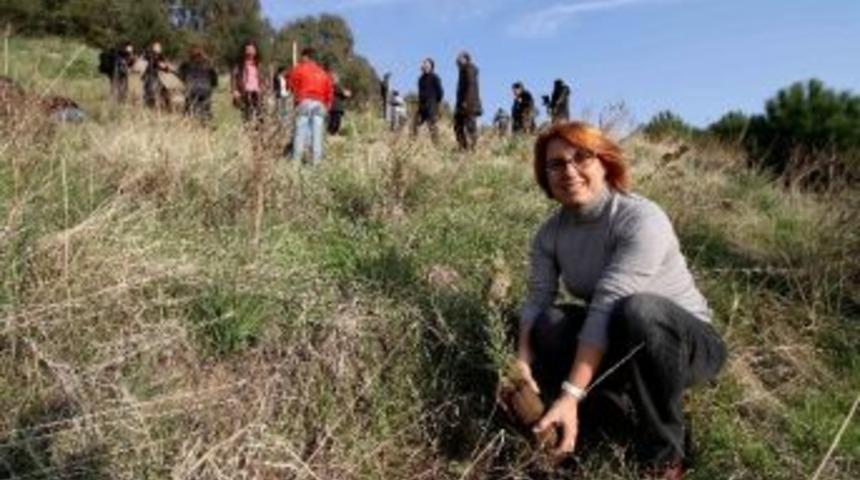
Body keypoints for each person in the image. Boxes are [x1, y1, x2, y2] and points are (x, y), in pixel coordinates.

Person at [511, 122, 726, 479]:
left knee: (639, 310)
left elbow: (609, 302)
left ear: (605, 163)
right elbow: (536, 299)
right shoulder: (549, 235)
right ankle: (601, 414)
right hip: (619, 337)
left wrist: (570, 392)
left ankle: (664, 457)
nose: (569, 171)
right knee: (548, 323)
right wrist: (521, 359)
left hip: (687, 345)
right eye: (556, 164)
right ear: (544, 176)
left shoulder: (640, 218)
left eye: (582, 157)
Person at [288, 47, 334, 165]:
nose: (300, 59)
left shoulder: (299, 68)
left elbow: (290, 84)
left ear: (306, 56)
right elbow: (329, 92)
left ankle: (295, 164)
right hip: (319, 104)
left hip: (304, 102)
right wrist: (327, 108)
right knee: (317, 137)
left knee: (299, 135)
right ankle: (316, 165)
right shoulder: (324, 73)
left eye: (302, 57)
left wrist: (296, 96)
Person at [177, 46, 218, 124]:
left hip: (192, 89)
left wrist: (185, 82)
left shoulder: (186, 64)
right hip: (205, 90)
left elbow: (180, 75)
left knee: (189, 110)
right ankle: (204, 126)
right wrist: (212, 86)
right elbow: (214, 78)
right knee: (205, 110)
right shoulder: (208, 63)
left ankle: (192, 127)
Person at [231, 40, 265, 124]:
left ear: (256, 51)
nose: (250, 52)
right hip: (245, 93)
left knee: (260, 119)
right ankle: (248, 135)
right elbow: (233, 78)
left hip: (257, 94)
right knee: (247, 118)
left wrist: (264, 89)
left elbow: (263, 80)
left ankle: (259, 135)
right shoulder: (239, 65)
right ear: (244, 51)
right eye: (248, 50)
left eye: (252, 50)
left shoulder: (259, 65)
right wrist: (234, 91)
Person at [411, 58, 443, 143]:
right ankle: (412, 143)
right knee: (414, 124)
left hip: (431, 106)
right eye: (423, 63)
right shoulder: (420, 79)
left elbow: (440, 93)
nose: (423, 65)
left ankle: (437, 146)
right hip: (422, 106)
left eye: (426, 63)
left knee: (432, 127)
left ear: (431, 66)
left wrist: (434, 102)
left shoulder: (435, 77)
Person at [454, 51, 482, 151]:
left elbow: (471, 86)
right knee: (458, 126)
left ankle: (472, 149)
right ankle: (463, 148)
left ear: (465, 59)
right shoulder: (463, 70)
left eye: (459, 58)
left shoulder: (469, 69)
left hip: (469, 104)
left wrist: (466, 101)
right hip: (462, 105)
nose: (456, 61)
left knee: (470, 127)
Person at [142, 41, 172, 111]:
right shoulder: (149, 54)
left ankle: (168, 108)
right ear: (153, 48)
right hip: (149, 76)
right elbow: (149, 60)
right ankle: (148, 109)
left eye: (159, 47)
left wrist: (166, 68)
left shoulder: (160, 56)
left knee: (165, 91)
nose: (159, 48)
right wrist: (160, 65)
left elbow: (164, 64)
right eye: (157, 47)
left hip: (156, 76)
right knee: (149, 94)